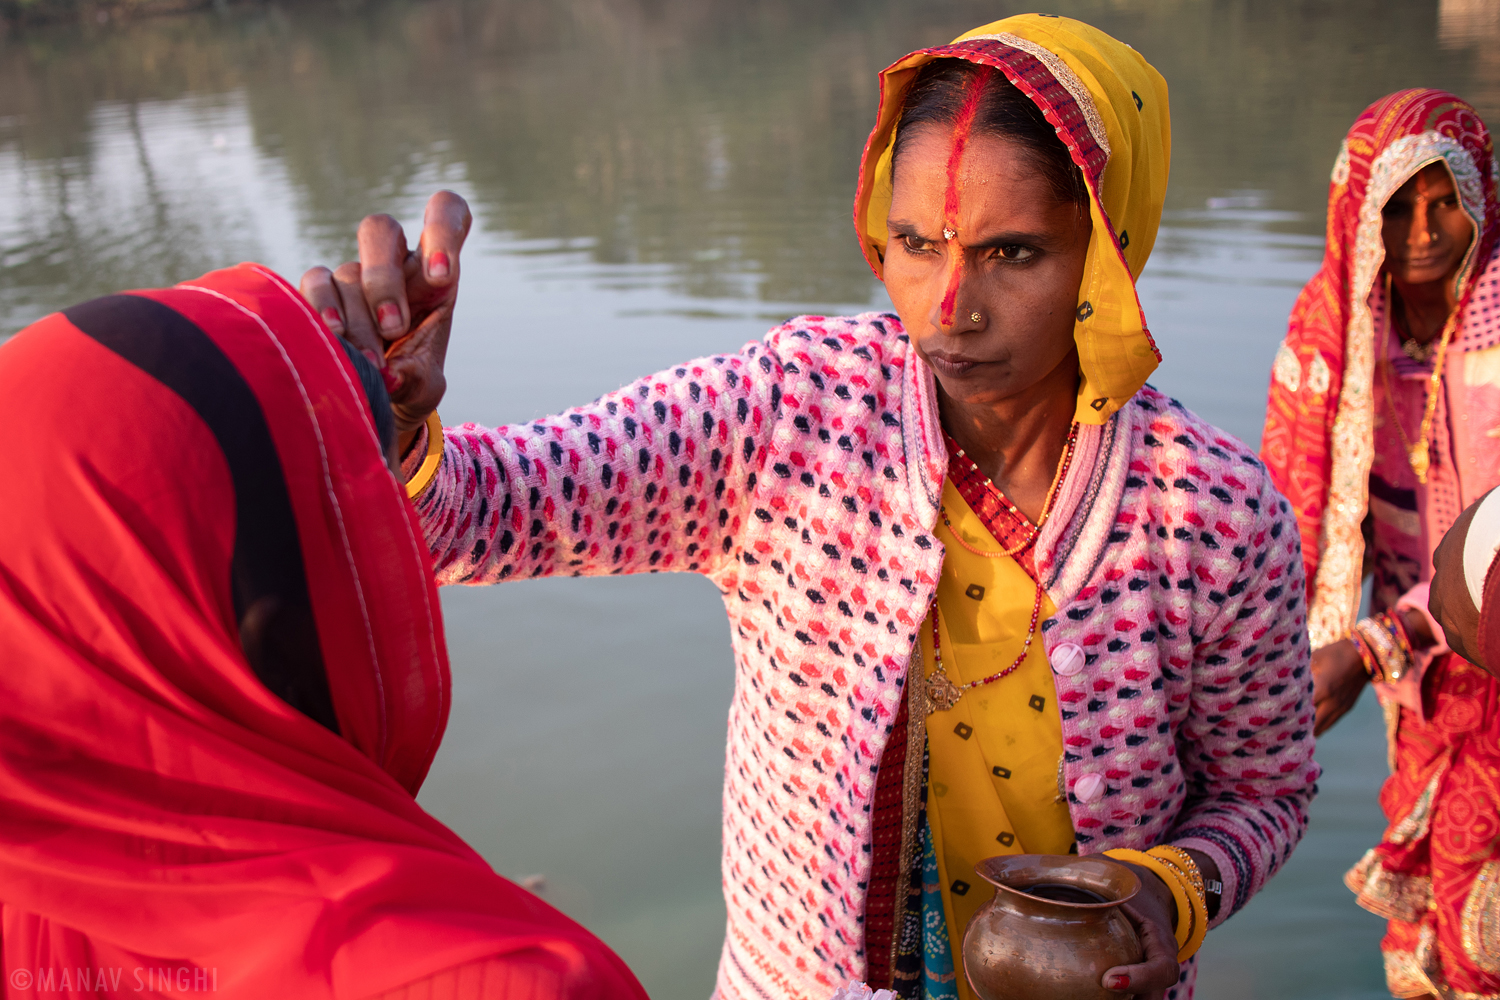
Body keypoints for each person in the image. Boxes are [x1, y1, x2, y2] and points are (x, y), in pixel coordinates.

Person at [307, 16, 1319, 1000]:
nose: (947, 306)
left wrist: (1175, 890)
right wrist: (389, 432)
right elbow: (493, 511)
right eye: (917, 242)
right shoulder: (795, 412)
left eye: (1013, 254)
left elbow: (1265, 791)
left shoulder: (1212, 515)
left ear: (1108, 249)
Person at [0, 262, 648, 999]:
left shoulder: (34, 910)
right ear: (274, 608)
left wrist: (325, 411)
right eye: (344, 498)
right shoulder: (497, 982)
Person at [1261, 89, 1500, 999]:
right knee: (1428, 924)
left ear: (1481, 198)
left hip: (1482, 642)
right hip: (1421, 680)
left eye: (1445, 202)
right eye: (1397, 207)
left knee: (1482, 912)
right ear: (1359, 214)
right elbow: (1277, 512)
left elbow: (1491, 548)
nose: (1424, 231)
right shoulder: (1335, 329)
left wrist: (1367, 647)